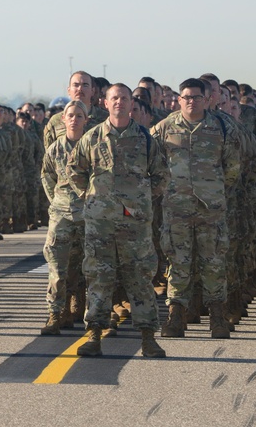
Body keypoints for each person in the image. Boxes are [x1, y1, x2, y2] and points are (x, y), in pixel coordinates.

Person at [67, 83, 168, 358]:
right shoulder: (92, 137)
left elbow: (161, 175)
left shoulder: (145, 138)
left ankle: (148, 337)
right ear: (105, 102)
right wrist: (89, 195)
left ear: (131, 104)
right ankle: (94, 335)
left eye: (124, 98)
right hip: (100, 224)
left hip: (134, 225)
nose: (120, 103)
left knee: (140, 279)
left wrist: (143, 199)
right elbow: (74, 169)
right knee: (99, 278)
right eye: (115, 98)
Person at [153, 78, 241, 339]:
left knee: (213, 261)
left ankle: (217, 317)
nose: (191, 101)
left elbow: (233, 166)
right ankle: (176, 316)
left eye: (196, 97)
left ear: (207, 99)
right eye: (186, 97)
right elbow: (151, 161)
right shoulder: (164, 127)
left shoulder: (222, 127)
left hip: (210, 210)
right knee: (178, 262)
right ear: (179, 100)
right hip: (176, 208)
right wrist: (165, 188)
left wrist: (213, 189)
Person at [40, 101, 87, 334]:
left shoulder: (93, 147)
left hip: (88, 213)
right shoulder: (55, 149)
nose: (74, 119)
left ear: (85, 120)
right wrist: (57, 201)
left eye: (79, 116)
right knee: (57, 266)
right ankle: (55, 314)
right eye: (70, 115)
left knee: (88, 265)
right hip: (61, 212)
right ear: (64, 119)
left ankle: (89, 312)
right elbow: (47, 177)